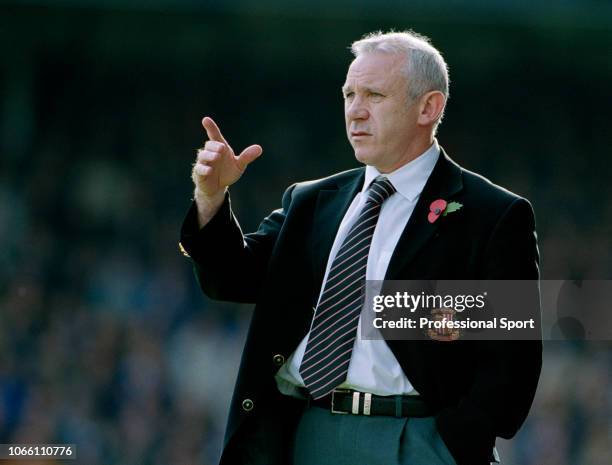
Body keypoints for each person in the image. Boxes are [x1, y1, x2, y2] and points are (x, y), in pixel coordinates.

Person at [179, 30, 542, 465]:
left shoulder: (493, 214)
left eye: (374, 95)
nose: (355, 111)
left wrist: (451, 443)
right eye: (349, 94)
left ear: (429, 107)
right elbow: (230, 277)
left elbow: (513, 362)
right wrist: (211, 198)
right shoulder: (312, 201)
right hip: (305, 432)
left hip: (418, 440)